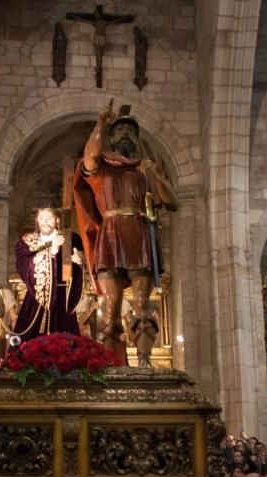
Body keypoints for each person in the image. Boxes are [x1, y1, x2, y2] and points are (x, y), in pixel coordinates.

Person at [73, 102, 178, 366]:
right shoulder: (102, 167)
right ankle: (110, 364)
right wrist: (101, 123)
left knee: (143, 302)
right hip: (110, 234)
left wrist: (155, 174)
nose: (126, 135)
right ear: (111, 136)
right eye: (120, 130)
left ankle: (144, 363)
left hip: (139, 234)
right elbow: (89, 156)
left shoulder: (144, 168)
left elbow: (171, 202)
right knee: (111, 303)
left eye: (131, 131)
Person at [14, 207, 83, 341]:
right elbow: (22, 264)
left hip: (63, 298)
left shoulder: (69, 238)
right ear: (37, 220)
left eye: (49, 218)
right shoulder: (27, 241)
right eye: (41, 219)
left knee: (66, 341)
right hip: (36, 296)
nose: (45, 222)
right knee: (28, 341)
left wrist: (79, 263)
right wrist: (51, 249)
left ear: (57, 220)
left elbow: (76, 268)